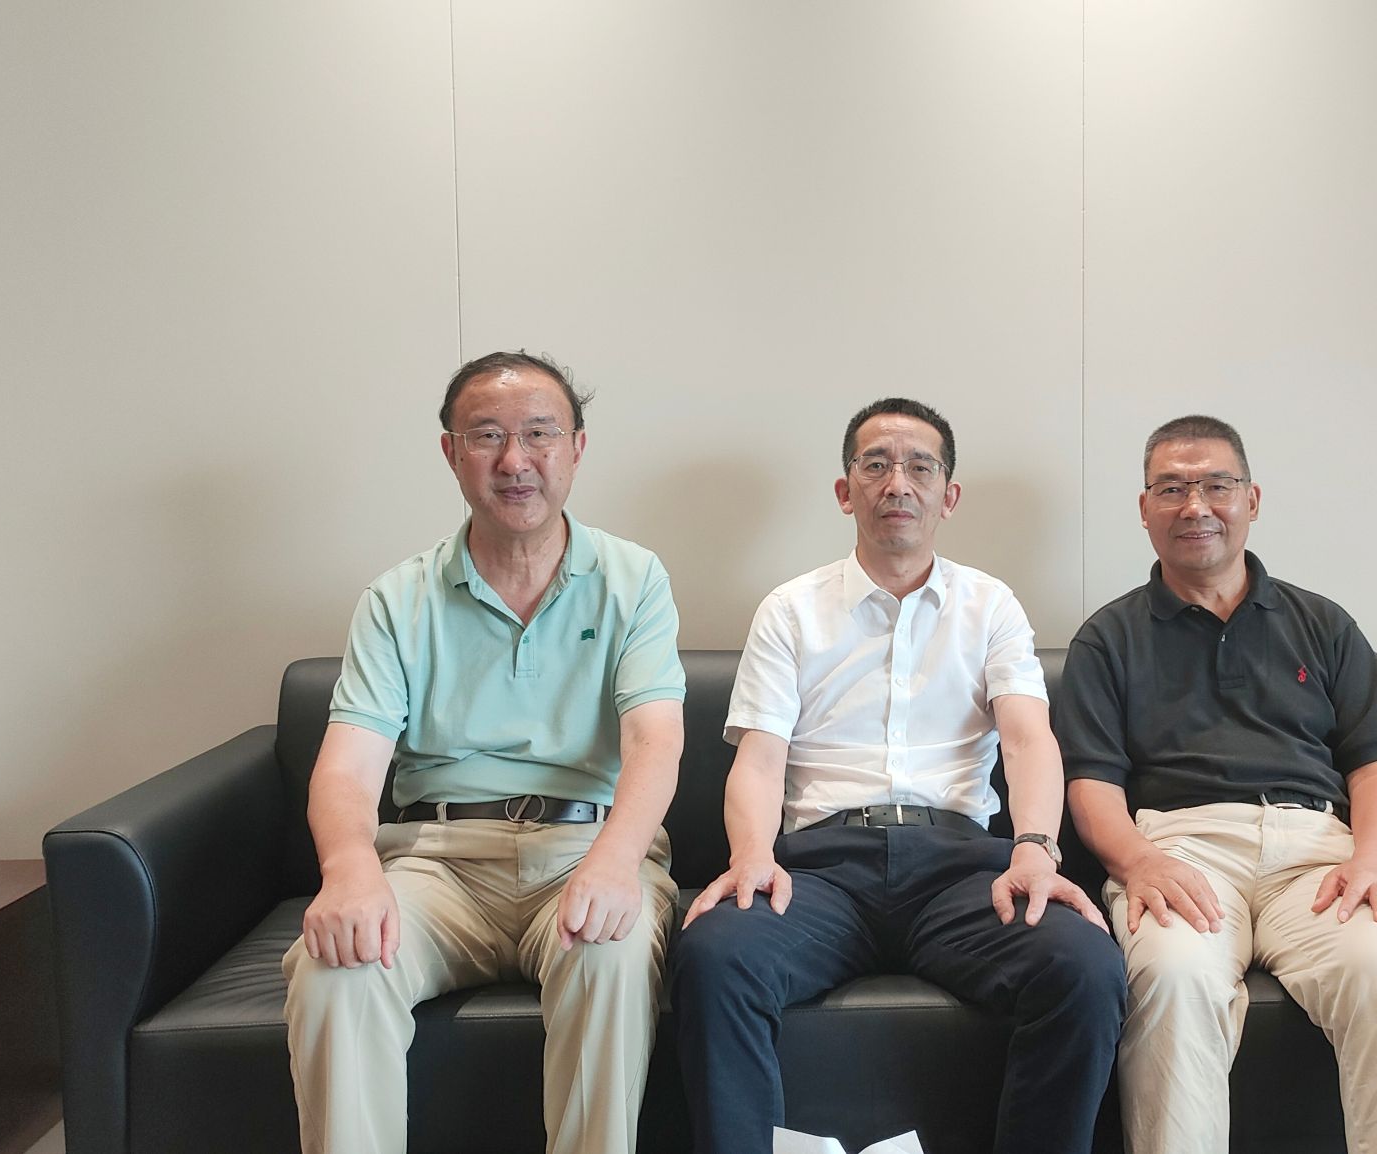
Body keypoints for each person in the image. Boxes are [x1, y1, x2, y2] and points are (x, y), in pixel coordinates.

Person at [670, 397, 1126, 1154]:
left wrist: (1036, 849)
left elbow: (1028, 738)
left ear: (949, 495)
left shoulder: (991, 606)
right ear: (844, 490)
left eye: (920, 467)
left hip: (961, 873)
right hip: (821, 873)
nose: (897, 483)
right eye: (875, 465)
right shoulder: (791, 610)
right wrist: (751, 855)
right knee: (716, 957)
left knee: (1083, 965)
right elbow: (760, 757)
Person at [281, 351, 686, 1154]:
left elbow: (655, 739)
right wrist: (349, 870)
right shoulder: (397, 599)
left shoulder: (633, 579)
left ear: (576, 447)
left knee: (610, 954)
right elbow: (349, 766)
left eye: (539, 434)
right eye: (488, 436)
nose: (515, 460)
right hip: (438, 862)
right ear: (451, 452)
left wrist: (616, 861)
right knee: (332, 971)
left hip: (585, 850)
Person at [1054, 414, 1377, 1154]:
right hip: (1182, 850)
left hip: (1318, 855)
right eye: (1171, 489)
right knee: (1172, 977)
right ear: (1144, 508)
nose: (1195, 506)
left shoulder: (1323, 625)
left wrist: (1374, 864)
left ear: (1252, 499)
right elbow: (1091, 787)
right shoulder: (1108, 639)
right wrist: (1138, 862)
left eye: (1217, 485)